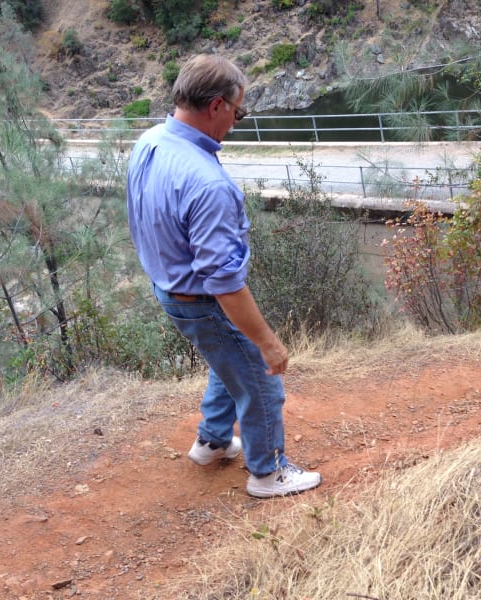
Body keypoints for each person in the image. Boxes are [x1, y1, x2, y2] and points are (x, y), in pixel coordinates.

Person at [126, 54, 321, 498]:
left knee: (226, 360)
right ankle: (268, 473)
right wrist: (269, 343)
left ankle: (212, 443)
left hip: (168, 287)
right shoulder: (208, 183)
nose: (236, 121)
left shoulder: (150, 141)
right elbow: (224, 282)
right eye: (238, 111)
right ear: (216, 106)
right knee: (259, 377)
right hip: (200, 298)